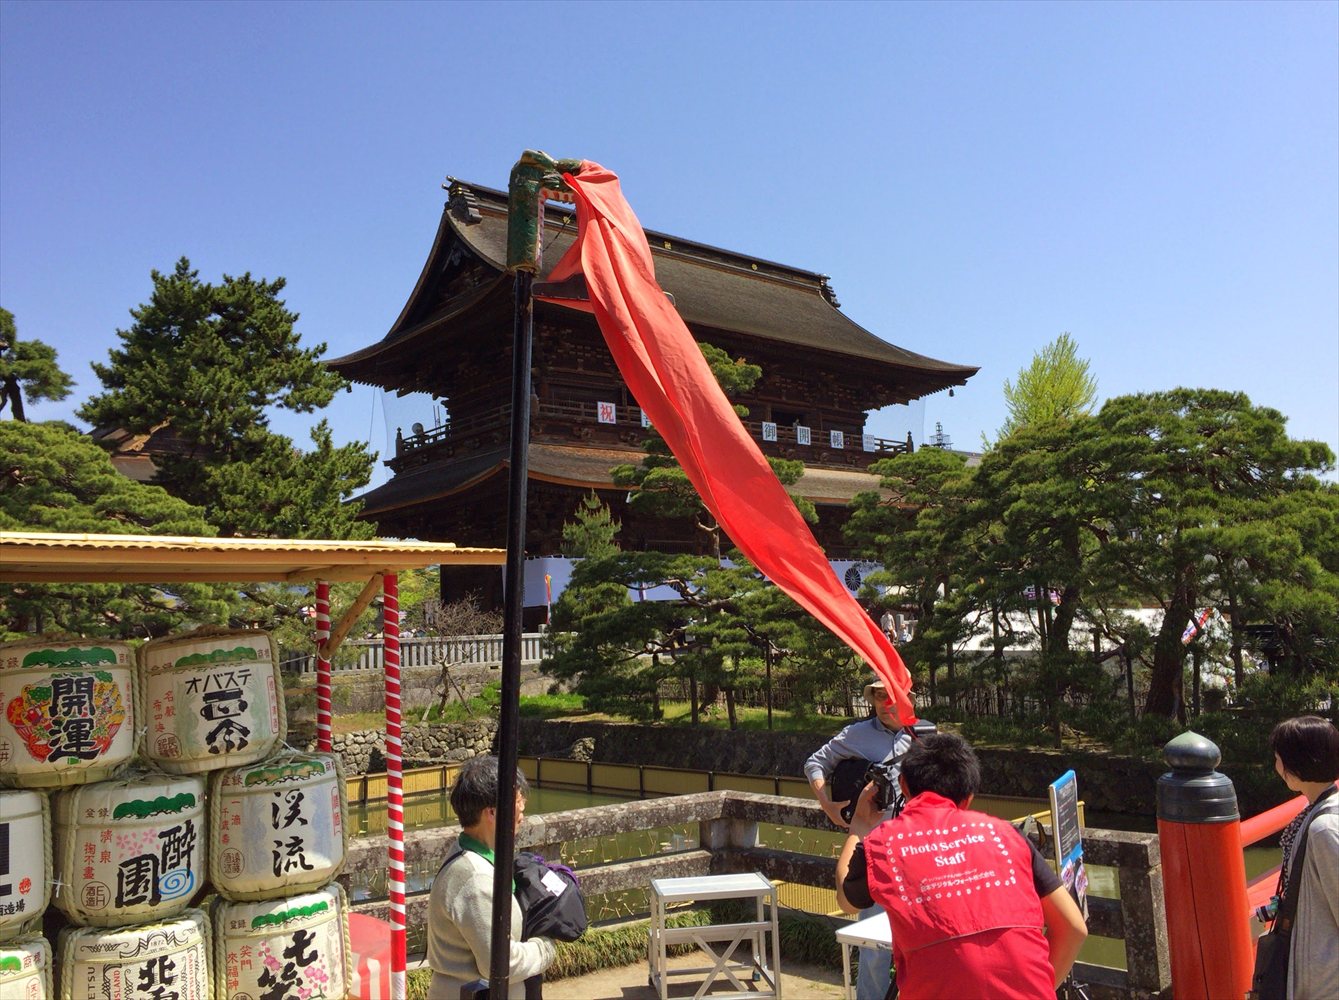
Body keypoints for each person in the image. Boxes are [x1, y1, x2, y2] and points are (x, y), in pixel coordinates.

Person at [836, 732, 1088, 999]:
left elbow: (846, 900)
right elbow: (1073, 928)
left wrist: (858, 827)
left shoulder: (883, 843)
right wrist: (1039, 989)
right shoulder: (1007, 835)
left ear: (903, 785)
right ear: (968, 797)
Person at [805, 676, 911, 1000]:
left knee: (918, 941)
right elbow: (815, 763)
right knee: (874, 944)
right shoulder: (856, 734)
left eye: (891, 697)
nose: (885, 704)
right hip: (876, 851)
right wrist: (827, 804)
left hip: (917, 851)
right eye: (879, 697)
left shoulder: (924, 735)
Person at [426, 756, 556, 1000]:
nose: (523, 807)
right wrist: (546, 948)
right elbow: (501, 964)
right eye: (517, 800)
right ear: (493, 812)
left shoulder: (471, 855)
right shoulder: (475, 879)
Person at [1267, 716, 1338, 999]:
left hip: (1325, 981)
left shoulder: (1325, 829)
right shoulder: (1317, 811)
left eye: (1279, 758)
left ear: (1295, 766)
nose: (1276, 766)